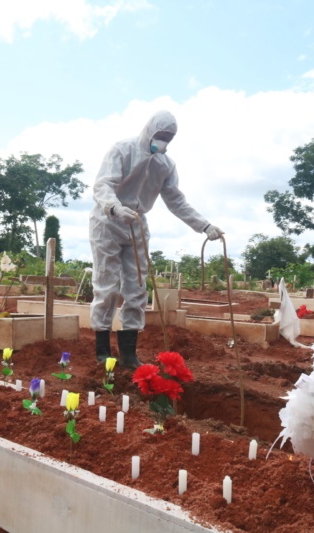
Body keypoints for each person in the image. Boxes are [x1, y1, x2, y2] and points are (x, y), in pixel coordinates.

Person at [89, 110, 224, 369]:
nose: (163, 142)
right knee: (107, 286)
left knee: (137, 287)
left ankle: (129, 354)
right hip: (108, 221)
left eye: (168, 138)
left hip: (137, 224)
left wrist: (204, 225)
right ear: (149, 130)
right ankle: (103, 351)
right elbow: (102, 185)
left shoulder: (165, 164)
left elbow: (176, 200)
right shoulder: (122, 149)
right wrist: (115, 207)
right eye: (160, 136)